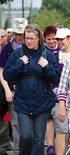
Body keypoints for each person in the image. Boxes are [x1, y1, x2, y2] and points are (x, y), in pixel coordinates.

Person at [3, 23, 60, 155]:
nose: (28, 41)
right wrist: (19, 63)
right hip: (23, 101)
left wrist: (47, 67)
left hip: (42, 101)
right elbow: (6, 74)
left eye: (32, 38)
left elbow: (56, 79)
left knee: (39, 139)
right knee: (26, 136)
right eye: (26, 38)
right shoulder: (18, 54)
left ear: (38, 39)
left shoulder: (47, 54)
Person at [0, 18, 28, 155]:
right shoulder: (8, 48)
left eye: (21, 34)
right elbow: (2, 70)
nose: (19, 37)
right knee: (16, 122)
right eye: (17, 33)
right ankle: (18, 151)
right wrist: (7, 90)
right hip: (12, 89)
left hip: (30, 90)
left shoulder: (33, 46)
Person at [43, 26, 70, 155]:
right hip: (52, 91)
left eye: (58, 39)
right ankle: (50, 147)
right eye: (51, 39)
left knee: (67, 125)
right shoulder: (48, 54)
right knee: (51, 120)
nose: (54, 42)